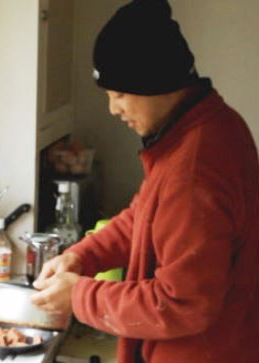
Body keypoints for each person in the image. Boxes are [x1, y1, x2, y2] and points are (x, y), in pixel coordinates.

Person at [31, 1, 259, 362]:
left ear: (155, 82)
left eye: (119, 94)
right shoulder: (203, 128)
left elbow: (180, 303)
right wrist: (80, 257)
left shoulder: (194, 169)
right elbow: (145, 217)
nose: (113, 109)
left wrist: (79, 296)